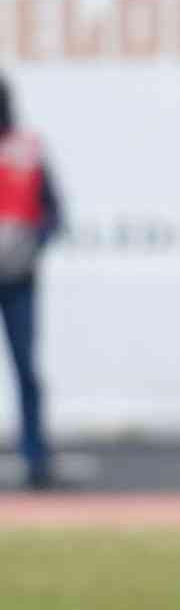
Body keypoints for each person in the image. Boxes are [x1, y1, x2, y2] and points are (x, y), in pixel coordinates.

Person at [0, 72, 64, 491]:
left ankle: (35, 454)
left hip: (18, 276)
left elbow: (54, 213)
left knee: (25, 366)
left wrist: (31, 244)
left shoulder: (27, 152)